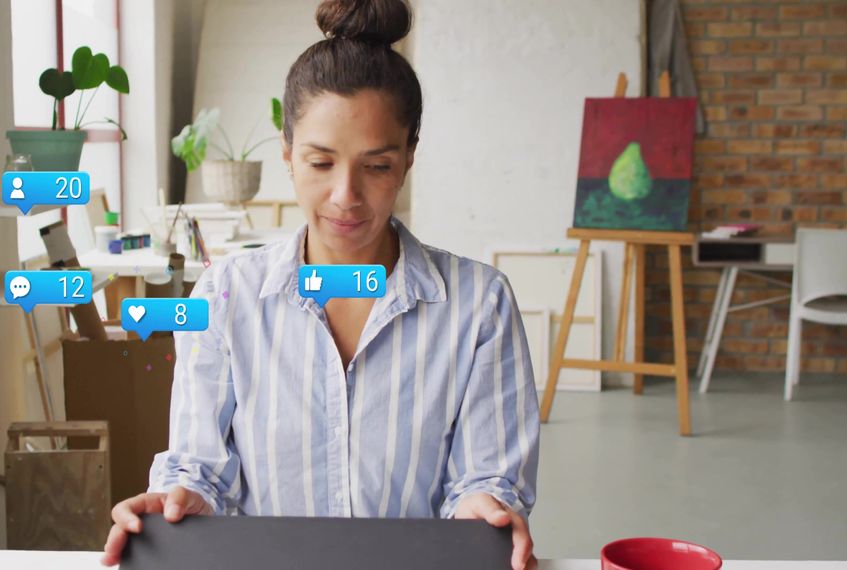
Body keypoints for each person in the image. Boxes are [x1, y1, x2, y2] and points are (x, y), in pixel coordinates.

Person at [101, 1, 540, 568]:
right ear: (287, 154)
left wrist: (488, 506)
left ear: (408, 159)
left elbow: (487, 478)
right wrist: (177, 501)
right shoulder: (224, 296)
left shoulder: (480, 304)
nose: (346, 196)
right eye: (320, 162)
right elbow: (199, 470)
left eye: (376, 166)